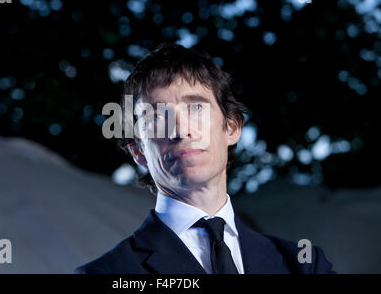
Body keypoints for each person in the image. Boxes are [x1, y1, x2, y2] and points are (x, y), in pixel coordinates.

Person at [75, 43, 335, 274]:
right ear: (139, 151)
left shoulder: (305, 267)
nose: (180, 130)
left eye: (196, 107)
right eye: (156, 117)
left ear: (231, 128)